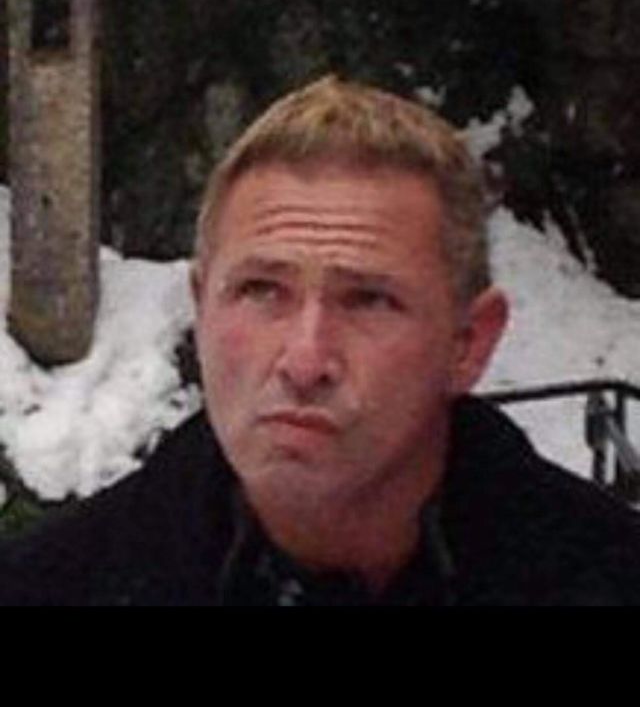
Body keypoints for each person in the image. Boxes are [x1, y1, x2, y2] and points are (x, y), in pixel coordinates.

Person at [2, 74, 640, 606]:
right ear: (201, 306)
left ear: (468, 342)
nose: (305, 360)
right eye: (261, 291)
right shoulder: (48, 585)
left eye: (368, 300)